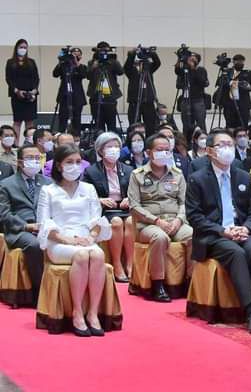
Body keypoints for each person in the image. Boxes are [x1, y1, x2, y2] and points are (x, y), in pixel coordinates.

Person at [186, 129, 251, 334]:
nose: (227, 149)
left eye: (230, 145)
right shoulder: (198, 179)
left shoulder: (244, 176)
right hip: (214, 235)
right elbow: (195, 217)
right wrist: (223, 231)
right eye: (221, 145)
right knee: (236, 253)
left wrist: (246, 228)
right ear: (209, 151)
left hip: (241, 231)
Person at [37, 143, 112, 336]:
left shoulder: (88, 188)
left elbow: (97, 219)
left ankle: (93, 313)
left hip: (85, 238)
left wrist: (91, 237)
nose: (75, 166)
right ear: (59, 165)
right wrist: (67, 240)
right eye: (70, 162)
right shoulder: (48, 190)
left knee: (98, 255)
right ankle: (77, 312)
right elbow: (44, 224)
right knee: (81, 256)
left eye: (78, 162)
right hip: (59, 241)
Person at [127, 133, 194, 302]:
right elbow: (134, 206)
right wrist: (156, 221)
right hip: (148, 224)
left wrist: (179, 219)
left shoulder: (177, 174)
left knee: (194, 236)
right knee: (160, 237)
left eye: (167, 150)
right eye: (159, 150)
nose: (164, 153)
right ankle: (158, 284)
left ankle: (190, 281)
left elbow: (185, 202)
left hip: (175, 221)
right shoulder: (137, 175)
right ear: (149, 152)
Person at [0, 144, 52, 303]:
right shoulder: (6, 184)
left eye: (37, 158)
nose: (35, 161)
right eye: (30, 158)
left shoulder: (48, 182)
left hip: (45, 226)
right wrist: (26, 226)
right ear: (19, 162)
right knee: (35, 245)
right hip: (20, 230)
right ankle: (41, 292)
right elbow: (4, 214)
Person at [82, 132, 135, 283]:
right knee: (116, 222)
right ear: (100, 150)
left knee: (131, 222)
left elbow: (136, 192)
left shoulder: (128, 169)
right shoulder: (91, 171)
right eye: (109, 147)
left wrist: (129, 198)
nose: (114, 150)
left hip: (125, 208)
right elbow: (84, 195)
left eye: (116, 146)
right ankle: (117, 264)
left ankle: (130, 263)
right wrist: (100, 200)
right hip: (105, 210)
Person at [6, 39, 39, 143]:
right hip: (17, 95)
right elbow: (8, 78)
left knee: (30, 122)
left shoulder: (31, 62)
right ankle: (15, 145)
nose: (23, 49)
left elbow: (36, 78)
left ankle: (29, 143)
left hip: (30, 95)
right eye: (21, 47)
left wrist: (34, 90)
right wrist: (16, 91)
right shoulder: (10, 62)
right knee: (17, 121)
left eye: (25, 47)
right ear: (16, 48)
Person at [86, 41, 123, 133]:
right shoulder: (92, 62)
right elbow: (88, 76)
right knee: (98, 124)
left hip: (110, 97)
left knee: (111, 123)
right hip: (96, 96)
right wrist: (93, 66)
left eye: (106, 51)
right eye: (101, 51)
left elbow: (120, 72)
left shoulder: (112, 62)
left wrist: (114, 60)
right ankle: (99, 138)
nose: (104, 54)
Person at [124, 47, 161, 135]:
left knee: (150, 126)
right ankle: (135, 140)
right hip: (134, 102)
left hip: (148, 102)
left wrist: (151, 53)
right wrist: (133, 54)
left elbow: (157, 63)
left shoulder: (149, 69)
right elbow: (127, 66)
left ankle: (149, 141)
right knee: (134, 125)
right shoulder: (131, 70)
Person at [175, 52, 209, 143]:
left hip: (198, 100)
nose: (190, 60)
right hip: (185, 100)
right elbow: (177, 74)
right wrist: (179, 59)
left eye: (193, 59)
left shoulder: (201, 70)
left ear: (197, 61)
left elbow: (203, 83)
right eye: (190, 58)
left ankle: (202, 141)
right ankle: (186, 142)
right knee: (186, 124)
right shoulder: (184, 70)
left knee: (200, 123)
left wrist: (193, 69)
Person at [52, 47, 87, 134]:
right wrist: (60, 62)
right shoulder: (64, 66)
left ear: (81, 56)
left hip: (77, 97)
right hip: (64, 96)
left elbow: (83, 74)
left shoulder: (82, 67)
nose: (75, 56)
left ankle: (76, 137)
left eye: (78, 55)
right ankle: (61, 136)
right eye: (74, 54)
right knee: (63, 118)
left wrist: (76, 62)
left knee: (76, 119)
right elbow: (55, 74)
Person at [224, 54, 251, 128]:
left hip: (243, 104)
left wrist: (249, 87)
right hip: (229, 104)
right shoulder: (228, 72)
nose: (240, 63)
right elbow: (221, 84)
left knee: (243, 125)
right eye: (238, 61)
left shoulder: (248, 73)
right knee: (230, 126)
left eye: (242, 62)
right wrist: (231, 82)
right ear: (233, 62)